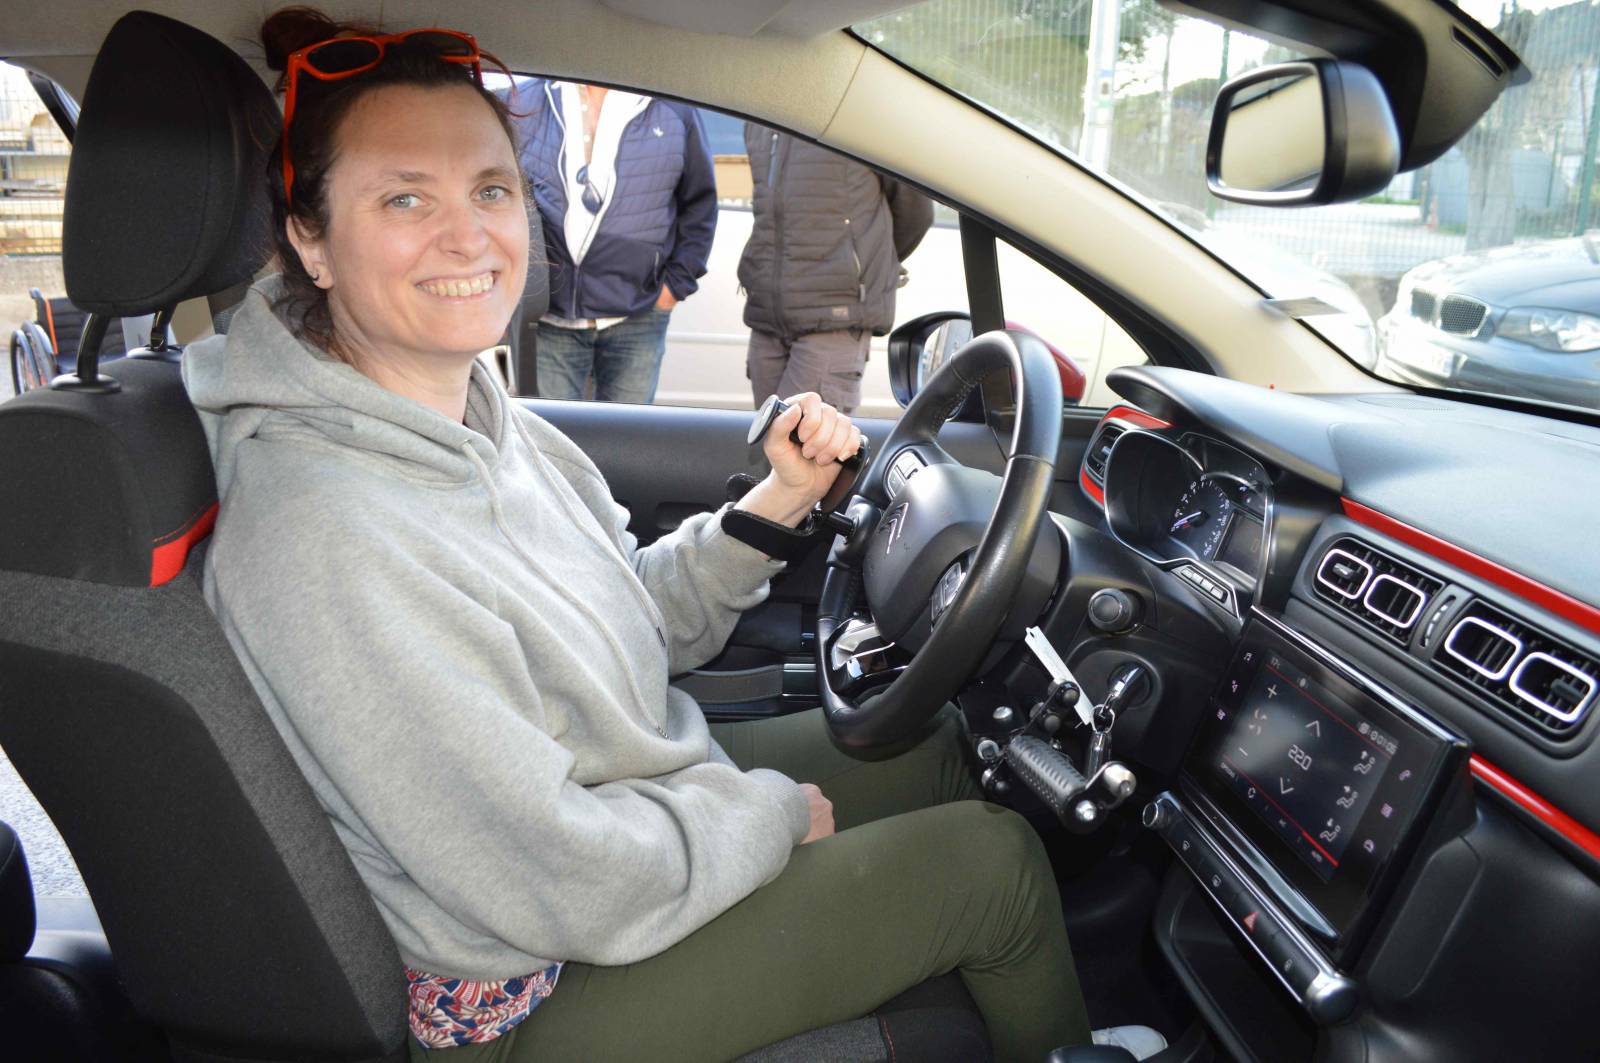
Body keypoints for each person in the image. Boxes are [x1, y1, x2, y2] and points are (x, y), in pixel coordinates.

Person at [183, 9, 1094, 1060]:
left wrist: (781, 500)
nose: (469, 238)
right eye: (404, 198)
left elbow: (628, 620)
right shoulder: (326, 533)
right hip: (521, 989)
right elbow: (541, 870)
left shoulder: (479, 415)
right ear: (309, 239)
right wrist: (761, 822)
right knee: (988, 866)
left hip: (612, 815)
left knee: (935, 750)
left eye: (491, 189)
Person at [506, 76, 716, 404]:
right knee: (554, 433)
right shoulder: (523, 102)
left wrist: (674, 287)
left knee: (629, 433)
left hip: (638, 318)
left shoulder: (673, 108)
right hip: (550, 318)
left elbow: (699, 205)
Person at [739, 124, 934, 413]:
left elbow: (916, 211)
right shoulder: (760, 117)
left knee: (803, 440)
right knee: (767, 440)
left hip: (834, 319)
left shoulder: (860, 115)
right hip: (767, 320)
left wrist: (859, 267)